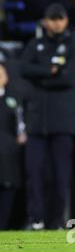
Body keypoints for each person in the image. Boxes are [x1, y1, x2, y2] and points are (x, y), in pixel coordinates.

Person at [20, 3, 75, 230]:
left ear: (65, 21)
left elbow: (69, 78)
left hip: (63, 122)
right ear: (45, 21)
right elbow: (22, 69)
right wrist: (51, 71)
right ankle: (35, 219)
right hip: (36, 121)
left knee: (60, 173)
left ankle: (57, 221)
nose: (56, 23)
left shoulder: (73, 48)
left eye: (60, 18)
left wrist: (40, 76)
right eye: (52, 18)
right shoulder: (34, 45)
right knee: (34, 172)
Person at [0, 62, 26, 230]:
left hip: (7, 157)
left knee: (8, 190)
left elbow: (21, 131)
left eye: (1, 72)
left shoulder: (12, 101)